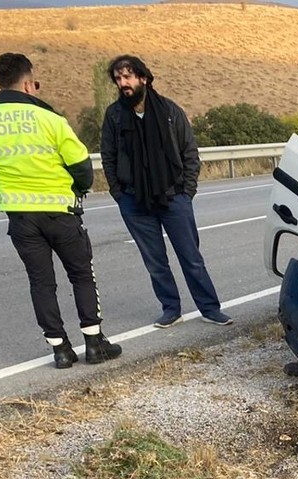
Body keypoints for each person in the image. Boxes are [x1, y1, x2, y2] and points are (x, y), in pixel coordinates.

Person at [0, 53, 122, 368]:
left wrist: (4, 177)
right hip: (60, 210)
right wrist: (78, 188)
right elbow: (81, 167)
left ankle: (60, 350)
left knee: (41, 282)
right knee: (81, 275)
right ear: (28, 84)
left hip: (20, 216)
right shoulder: (50, 120)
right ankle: (94, 344)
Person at [100, 55, 232, 329]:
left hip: (174, 197)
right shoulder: (114, 115)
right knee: (155, 262)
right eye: (118, 79)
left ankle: (210, 308)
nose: (122, 83)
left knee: (191, 258)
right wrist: (118, 193)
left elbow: (189, 152)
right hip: (134, 200)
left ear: (143, 78)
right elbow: (108, 156)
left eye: (127, 77)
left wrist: (187, 192)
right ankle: (171, 309)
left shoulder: (170, 111)